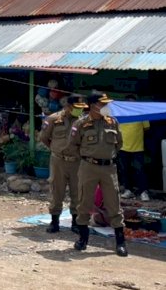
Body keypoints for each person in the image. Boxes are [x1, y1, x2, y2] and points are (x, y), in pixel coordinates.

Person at [67, 93, 128, 257]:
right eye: (103, 104)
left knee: (114, 203)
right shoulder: (81, 123)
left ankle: (120, 243)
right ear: (93, 105)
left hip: (109, 168)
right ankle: (82, 239)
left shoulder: (112, 122)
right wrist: (88, 157)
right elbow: (73, 145)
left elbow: (119, 143)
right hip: (88, 167)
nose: (106, 107)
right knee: (84, 203)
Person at [38, 94, 83, 234]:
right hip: (58, 161)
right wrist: (55, 149)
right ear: (68, 106)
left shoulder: (83, 121)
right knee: (57, 191)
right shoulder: (53, 119)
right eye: (77, 107)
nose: (79, 110)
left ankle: (76, 222)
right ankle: (54, 222)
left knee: (78, 192)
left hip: (77, 161)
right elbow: (44, 138)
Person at [117, 94, 150, 202]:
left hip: (137, 147)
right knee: (124, 170)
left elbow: (146, 128)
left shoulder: (142, 113)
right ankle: (128, 190)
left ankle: (143, 191)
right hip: (123, 147)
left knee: (139, 170)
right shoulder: (120, 114)